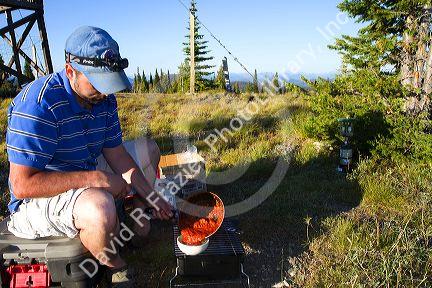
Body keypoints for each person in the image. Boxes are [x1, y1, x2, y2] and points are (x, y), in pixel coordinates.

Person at [5, 26, 173, 286]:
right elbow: (23, 185)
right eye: (99, 83)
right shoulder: (38, 105)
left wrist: (152, 196)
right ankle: (115, 265)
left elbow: (117, 154)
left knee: (148, 149)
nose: (106, 93)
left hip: (86, 165)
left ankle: (134, 210)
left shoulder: (102, 100)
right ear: (71, 71)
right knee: (100, 207)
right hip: (40, 196)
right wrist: (97, 179)